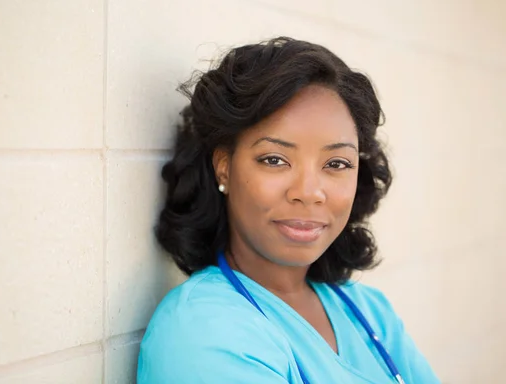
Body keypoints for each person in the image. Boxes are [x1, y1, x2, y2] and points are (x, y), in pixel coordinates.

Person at [137, 37, 440, 383]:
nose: (309, 193)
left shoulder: (369, 312)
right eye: (275, 160)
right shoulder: (202, 333)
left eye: (337, 163)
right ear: (224, 167)